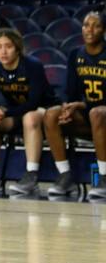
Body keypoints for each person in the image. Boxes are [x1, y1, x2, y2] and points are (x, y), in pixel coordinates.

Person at [0, 28, 58, 197]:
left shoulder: (32, 65)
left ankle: (31, 176)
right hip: (15, 112)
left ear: (17, 48)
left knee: (29, 118)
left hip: (44, 110)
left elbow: (34, 101)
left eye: (8, 46)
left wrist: (6, 113)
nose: (3, 51)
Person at [42, 11, 106, 200]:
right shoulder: (75, 54)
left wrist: (81, 104)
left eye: (96, 25)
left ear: (104, 30)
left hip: (101, 115)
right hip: (86, 113)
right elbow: (69, 91)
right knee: (51, 114)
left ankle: (103, 177)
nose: (90, 30)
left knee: (97, 113)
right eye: (86, 25)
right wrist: (67, 107)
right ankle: (64, 175)